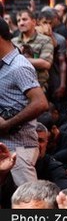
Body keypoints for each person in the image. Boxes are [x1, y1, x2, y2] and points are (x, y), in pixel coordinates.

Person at [0, 17, 48, 186]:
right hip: (6, 147)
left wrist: (7, 124)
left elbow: (40, 103)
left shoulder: (19, 66)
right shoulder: (4, 65)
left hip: (18, 148)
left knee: (28, 199)